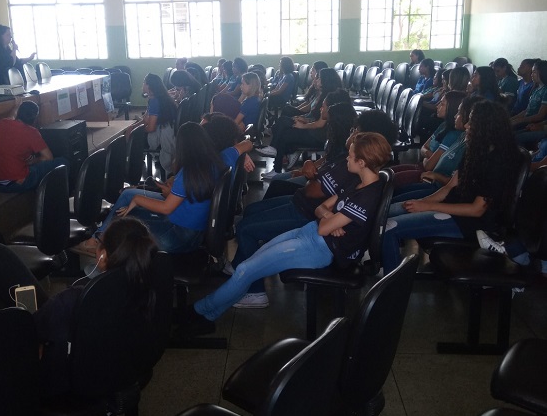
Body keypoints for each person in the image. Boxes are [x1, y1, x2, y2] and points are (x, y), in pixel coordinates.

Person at [185, 132, 391, 331]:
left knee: (245, 270)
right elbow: (320, 209)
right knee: (247, 267)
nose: (348, 157)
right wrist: (331, 218)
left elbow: (323, 225)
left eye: (352, 155)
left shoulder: (366, 197)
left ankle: (198, 312)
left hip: (319, 249)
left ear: (362, 162)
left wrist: (329, 219)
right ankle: (205, 314)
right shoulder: (359, 182)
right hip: (310, 233)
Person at [0, 217, 167, 396]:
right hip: (128, 363)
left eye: (98, 241)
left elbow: (31, 332)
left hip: (70, 379)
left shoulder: (77, 299)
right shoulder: (152, 281)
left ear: (102, 255)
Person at [381, 100, 522, 274]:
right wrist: (420, 203)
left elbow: (477, 210)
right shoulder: (476, 151)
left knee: (388, 228)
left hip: (467, 223)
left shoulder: (497, 162)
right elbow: (448, 188)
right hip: (451, 209)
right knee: (386, 212)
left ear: (486, 127)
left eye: (472, 122)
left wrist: (427, 206)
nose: (467, 125)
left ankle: (392, 290)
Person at [76, 122, 234, 255]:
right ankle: (100, 239)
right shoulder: (215, 162)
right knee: (129, 202)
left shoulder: (188, 173)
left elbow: (166, 208)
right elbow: (243, 145)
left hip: (175, 236)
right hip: (192, 231)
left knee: (125, 227)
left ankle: (104, 257)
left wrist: (139, 199)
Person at [260, 67, 343, 174]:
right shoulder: (323, 94)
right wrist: (304, 119)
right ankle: (279, 155)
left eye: (319, 79)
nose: (315, 80)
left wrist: (303, 125)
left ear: (326, 81)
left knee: (286, 132)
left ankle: (278, 162)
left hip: (321, 136)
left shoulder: (330, 97)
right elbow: (314, 115)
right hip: (316, 131)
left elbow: (320, 124)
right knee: (284, 123)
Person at [0, 101, 67, 193]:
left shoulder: (2, 123)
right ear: (34, 119)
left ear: (19, 112)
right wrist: (33, 161)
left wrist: (17, 105)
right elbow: (48, 157)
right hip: (16, 183)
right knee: (63, 162)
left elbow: (12, 116)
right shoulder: (32, 132)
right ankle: (62, 193)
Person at [141, 73, 177, 175]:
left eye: (144, 83)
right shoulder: (162, 97)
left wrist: (137, 132)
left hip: (161, 136)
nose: (142, 85)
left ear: (149, 86)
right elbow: (146, 120)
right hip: (170, 134)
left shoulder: (155, 101)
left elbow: (151, 128)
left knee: (134, 139)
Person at [510, 59, 547, 147]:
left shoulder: (545, 91)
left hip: (535, 123)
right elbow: (527, 110)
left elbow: (540, 115)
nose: (531, 75)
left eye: (534, 72)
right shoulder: (536, 89)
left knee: (515, 137)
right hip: (529, 122)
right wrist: (513, 119)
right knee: (507, 128)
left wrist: (520, 120)